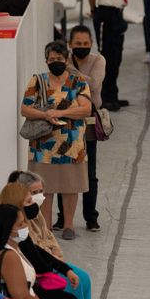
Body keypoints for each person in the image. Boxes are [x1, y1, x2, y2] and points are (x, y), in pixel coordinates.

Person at [0, 182, 93, 299]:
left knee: (82, 278)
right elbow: (37, 261)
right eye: (29, 199)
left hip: (43, 269)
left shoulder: (24, 224)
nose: (35, 201)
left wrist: (65, 268)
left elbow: (42, 247)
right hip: (36, 279)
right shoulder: (14, 234)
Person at [21, 41, 92, 241]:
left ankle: (69, 225)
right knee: (45, 188)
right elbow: (25, 108)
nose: (55, 63)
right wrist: (46, 116)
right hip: (43, 145)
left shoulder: (78, 82)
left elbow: (86, 109)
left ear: (66, 60)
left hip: (72, 145)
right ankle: (47, 227)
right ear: (46, 61)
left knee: (71, 186)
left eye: (59, 59)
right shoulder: (37, 81)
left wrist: (59, 112)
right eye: (51, 60)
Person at [55, 26, 105, 233]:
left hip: (89, 120)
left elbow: (93, 85)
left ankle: (90, 217)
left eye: (85, 44)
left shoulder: (98, 60)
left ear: (91, 43)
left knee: (89, 170)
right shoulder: (63, 62)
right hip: (65, 120)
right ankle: (62, 218)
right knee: (63, 168)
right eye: (77, 44)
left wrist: (69, 69)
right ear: (70, 44)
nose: (82, 47)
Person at [88, 0, 135, 112]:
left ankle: (112, 95)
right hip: (106, 14)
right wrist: (94, 10)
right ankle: (105, 97)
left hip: (118, 15)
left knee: (116, 58)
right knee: (106, 58)